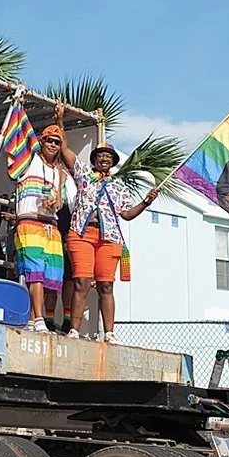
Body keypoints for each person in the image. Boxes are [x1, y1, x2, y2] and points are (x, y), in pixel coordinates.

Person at [65, 144, 159, 342]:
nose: (104, 159)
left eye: (108, 156)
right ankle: (74, 330)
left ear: (113, 161)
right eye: (100, 155)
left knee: (106, 285)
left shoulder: (119, 186)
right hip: (82, 233)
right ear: (94, 159)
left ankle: (109, 333)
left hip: (109, 238)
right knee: (81, 282)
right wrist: (60, 128)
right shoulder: (84, 174)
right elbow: (66, 152)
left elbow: (127, 214)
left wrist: (146, 202)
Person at [11, 122, 77, 333]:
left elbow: (60, 203)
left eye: (57, 142)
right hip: (30, 221)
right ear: (42, 141)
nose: (53, 144)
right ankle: (39, 319)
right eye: (49, 140)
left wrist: (55, 202)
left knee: (50, 277)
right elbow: (18, 138)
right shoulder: (28, 160)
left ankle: (33, 319)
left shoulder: (59, 172)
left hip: (51, 225)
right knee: (35, 273)